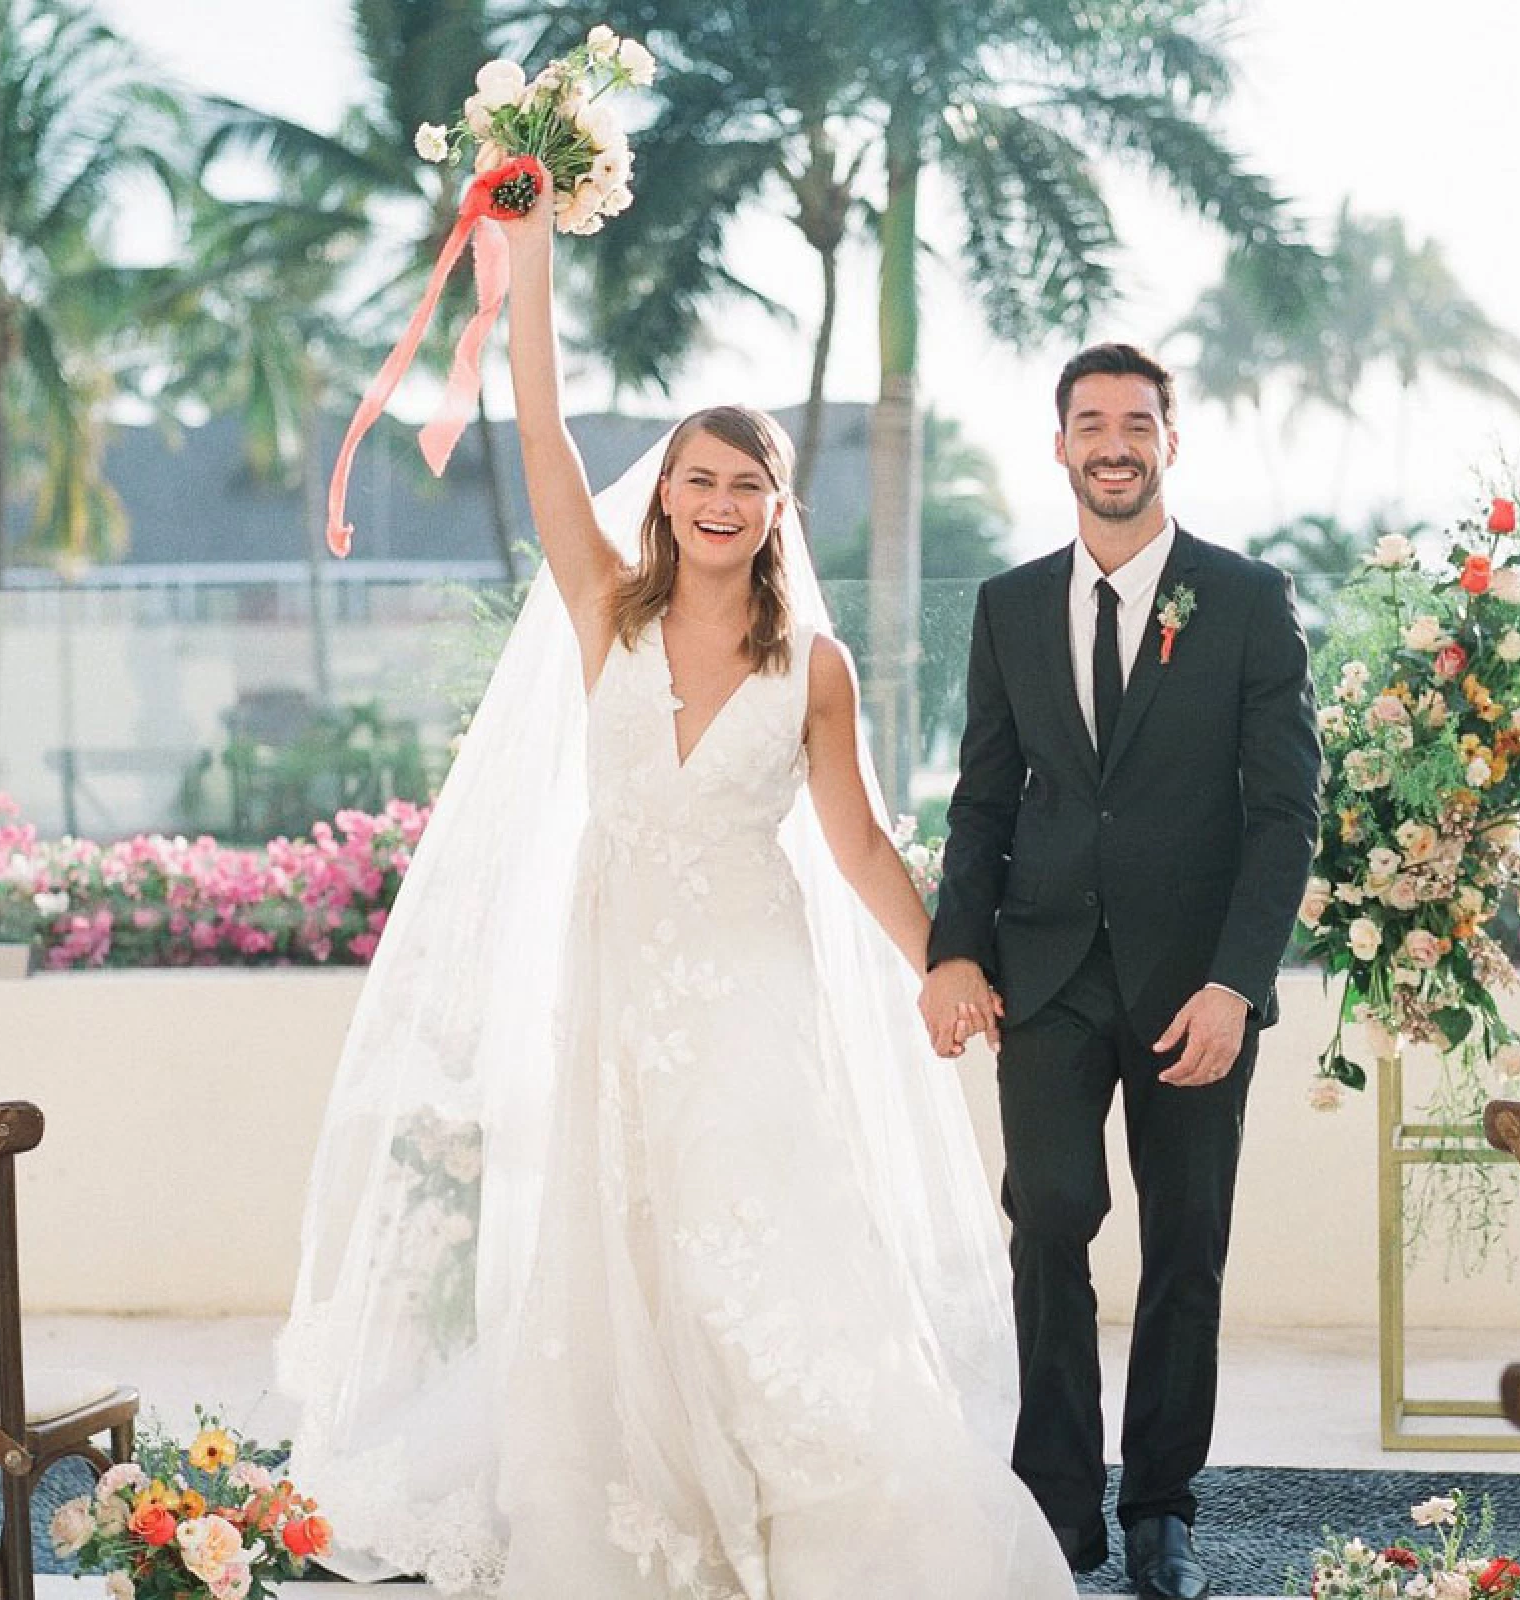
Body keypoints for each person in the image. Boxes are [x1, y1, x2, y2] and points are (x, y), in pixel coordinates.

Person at [275, 184, 1075, 1598]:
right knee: (628, 1245)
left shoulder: (810, 669)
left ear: (777, 510)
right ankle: (643, 1497)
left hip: (755, 993)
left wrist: (942, 968)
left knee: (766, 1237)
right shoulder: (602, 606)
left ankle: (825, 1507)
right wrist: (522, 265)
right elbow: (537, 433)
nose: (716, 503)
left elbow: (863, 848)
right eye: (697, 480)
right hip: (620, 987)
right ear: (666, 493)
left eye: (744, 485)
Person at [920, 343, 1322, 1599]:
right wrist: (953, 951)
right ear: (1059, 446)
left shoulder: (1247, 598)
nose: (1113, 441)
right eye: (1089, 421)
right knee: (1046, 1219)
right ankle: (1053, 1500)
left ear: (1168, 441)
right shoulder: (1007, 603)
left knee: (1186, 1243)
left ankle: (1159, 1508)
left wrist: (1235, 982)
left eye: (1135, 421)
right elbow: (983, 800)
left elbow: (1285, 814)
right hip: (1044, 973)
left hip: (1194, 981)